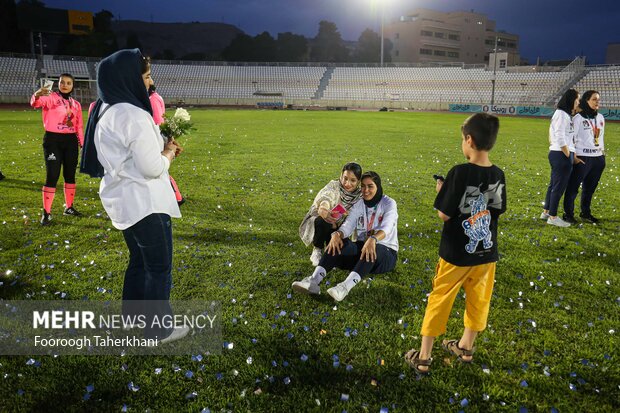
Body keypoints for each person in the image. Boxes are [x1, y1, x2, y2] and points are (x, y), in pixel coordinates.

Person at [80, 49, 186, 343]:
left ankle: (132, 318)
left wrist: (160, 144)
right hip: (144, 203)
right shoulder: (133, 114)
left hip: (122, 199)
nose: (150, 83)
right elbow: (152, 168)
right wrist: (167, 153)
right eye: (147, 76)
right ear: (129, 78)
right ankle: (157, 329)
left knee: (139, 259)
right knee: (158, 266)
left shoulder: (106, 107)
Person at [404, 113, 506, 375]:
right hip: (486, 253)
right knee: (479, 300)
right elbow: (496, 209)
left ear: (469, 140)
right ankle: (466, 347)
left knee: (440, 299)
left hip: (456, 254)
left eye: (463, 139)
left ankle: (424, 357)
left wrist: (443, 191)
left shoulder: (459, 172)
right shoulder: (498, 174)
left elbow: (445, 214)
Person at [292, 171, 398, 302]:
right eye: (363, 186)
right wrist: (337, 234)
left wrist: (373, 239)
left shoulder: (389, 203)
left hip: (385, 254)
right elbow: (348, 225)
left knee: (373, 248)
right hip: (362, 249)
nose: (366, 190)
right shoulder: (360, 204)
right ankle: (314, 281)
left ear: (378, 187)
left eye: (370, 186)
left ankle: (344, 288)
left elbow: (387, 227)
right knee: (339, 242)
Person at [30, 73, 84, 225]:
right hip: (53, 140)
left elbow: (78, 126)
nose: (65, 85)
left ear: (73, 86)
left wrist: (83, 144)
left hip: (71, 141)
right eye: (62, 82)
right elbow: (36, 103)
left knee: (70, 175)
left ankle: (69, 207)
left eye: (68, 83)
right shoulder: (51, 97)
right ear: (58, 84)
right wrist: (37, 94)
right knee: (52, 175)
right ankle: (46, 213)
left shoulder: (76, 104)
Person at [299, 162, 362, 266]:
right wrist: (324, 208)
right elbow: (327, 196)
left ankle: (331, 250)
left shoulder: (360, 195)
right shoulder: (334, 185)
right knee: (321, 221)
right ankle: (317, 249)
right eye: (345, 178)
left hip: (344, 230)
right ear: (341, 176)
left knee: (340, 257)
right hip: (328, 225)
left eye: (353, 180)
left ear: (358, 182)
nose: (347, 183)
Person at [563, 90, 605, 224]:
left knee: (590, 188)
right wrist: (574, 156)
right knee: (573, 187)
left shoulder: (601, 118)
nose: (597, 102)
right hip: (582, 157)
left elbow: (600, 137)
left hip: (598, 158)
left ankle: (585, 213)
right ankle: (568, 214)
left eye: (598, 99)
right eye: (594, 99)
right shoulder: (578, 118)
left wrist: (601, 152)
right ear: (586, 100)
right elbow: (570, 138)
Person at [540, 88, 581, 227]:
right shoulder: (561, 114)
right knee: (558, 187)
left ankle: (546, 211)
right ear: (571, 99)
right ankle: (553, 216)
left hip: (559, 153)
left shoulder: (564, 114)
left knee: (553, 185)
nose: (578, 102)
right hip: (561, 154)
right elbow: (559, 135)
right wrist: (568, 154)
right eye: (577, 99)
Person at [149, 84, 185, 206]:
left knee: (161, 169)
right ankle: (176, 196)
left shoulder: (152, 99)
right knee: (161, 169)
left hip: (158, 135)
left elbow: (158, 121)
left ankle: (176, 196)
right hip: (160, 135)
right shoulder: (155, 97)